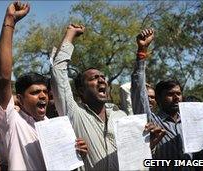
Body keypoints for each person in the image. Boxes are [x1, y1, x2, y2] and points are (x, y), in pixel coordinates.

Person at [51, 24, 165, 170]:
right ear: (80, 90)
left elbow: (135, 160)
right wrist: (70, 34)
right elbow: (58, 73)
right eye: (93, 78)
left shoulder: (121, 116)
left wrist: (149, 144)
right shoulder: (74, 114)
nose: (101, 80)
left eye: (103, 77)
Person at [0, 2, 88, 170]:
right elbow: (3, 77)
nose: (43, 96)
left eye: (45, 91)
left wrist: (75, 151)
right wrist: (10, 22)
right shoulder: (11, 121)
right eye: (35, 92)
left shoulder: (53, 126)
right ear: (20, 99)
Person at [131, 28, 203, 170]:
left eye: (179, 94)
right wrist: (141, 52)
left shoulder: (193, 123)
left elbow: (201, 163)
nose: (176, 98)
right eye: (170, 94)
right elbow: (138, 91)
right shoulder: (152, 122)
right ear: (158, 98)